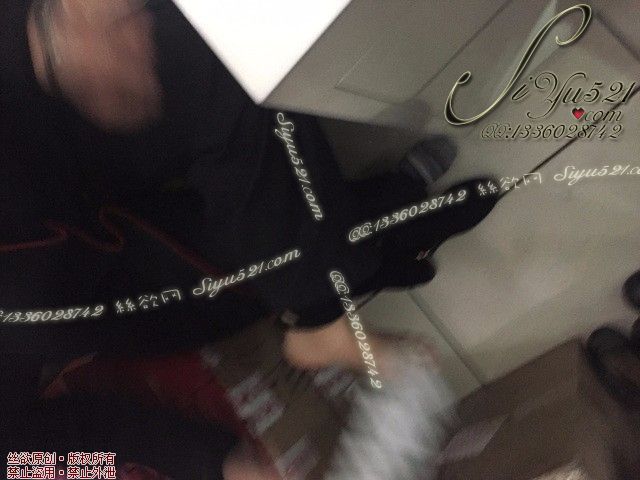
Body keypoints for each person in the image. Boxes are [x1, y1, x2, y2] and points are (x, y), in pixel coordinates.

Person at [1, 0, 498, 478]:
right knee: (233, 275)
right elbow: (27, 456)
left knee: (199, 49)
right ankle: (380, 232)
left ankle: (331, 299)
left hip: (35, 143)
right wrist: (207, 465)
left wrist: (38, 40)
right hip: (67, 291)